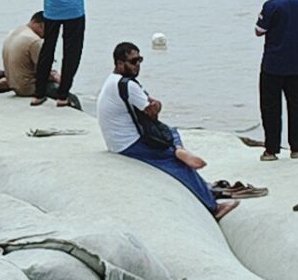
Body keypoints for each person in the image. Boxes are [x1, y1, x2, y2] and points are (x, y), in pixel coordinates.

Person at [97, 42, 238, 221]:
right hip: (128, 143)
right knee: (176, 162)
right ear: (119, 63)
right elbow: (153, 113)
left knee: (172, 132)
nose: (137, 65)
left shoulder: (112, 81)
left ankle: (180, 150)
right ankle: (213, 206)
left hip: (116, 140)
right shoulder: (128, 85)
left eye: (140, 60)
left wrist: (152, 103)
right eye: (133, 61)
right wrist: (156, 104)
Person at [254, 0, 298, 161]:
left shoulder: (271, 5)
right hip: (295, 63)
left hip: (273, 63)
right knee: (296, 106)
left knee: (270, 107)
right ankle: (297, 148)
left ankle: (271, 149)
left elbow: (259, 30)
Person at [1, 11, 80, 105]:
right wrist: (57, 77)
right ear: (41, 25)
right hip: (27, 87)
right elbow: (44, 70)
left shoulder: (15, 32)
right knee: (72, 98)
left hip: (13, 84)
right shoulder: (34, 41)